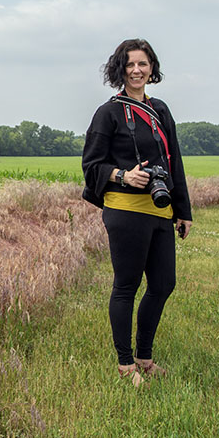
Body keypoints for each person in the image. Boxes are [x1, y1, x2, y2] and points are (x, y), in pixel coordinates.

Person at [81, 38, 193, 387]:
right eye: (130, 64)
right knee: (127, 285)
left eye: (143, 64)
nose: (137, 70)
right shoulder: (108, 113)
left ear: (151, 68)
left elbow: (175, 161)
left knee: (163, 284)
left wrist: (183, 210)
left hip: (160, 210)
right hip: (126, 210)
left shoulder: (161, 110)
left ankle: (145, 356)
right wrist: (123, 175)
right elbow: (91, 164)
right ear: (120, 69)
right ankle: (125, 364)